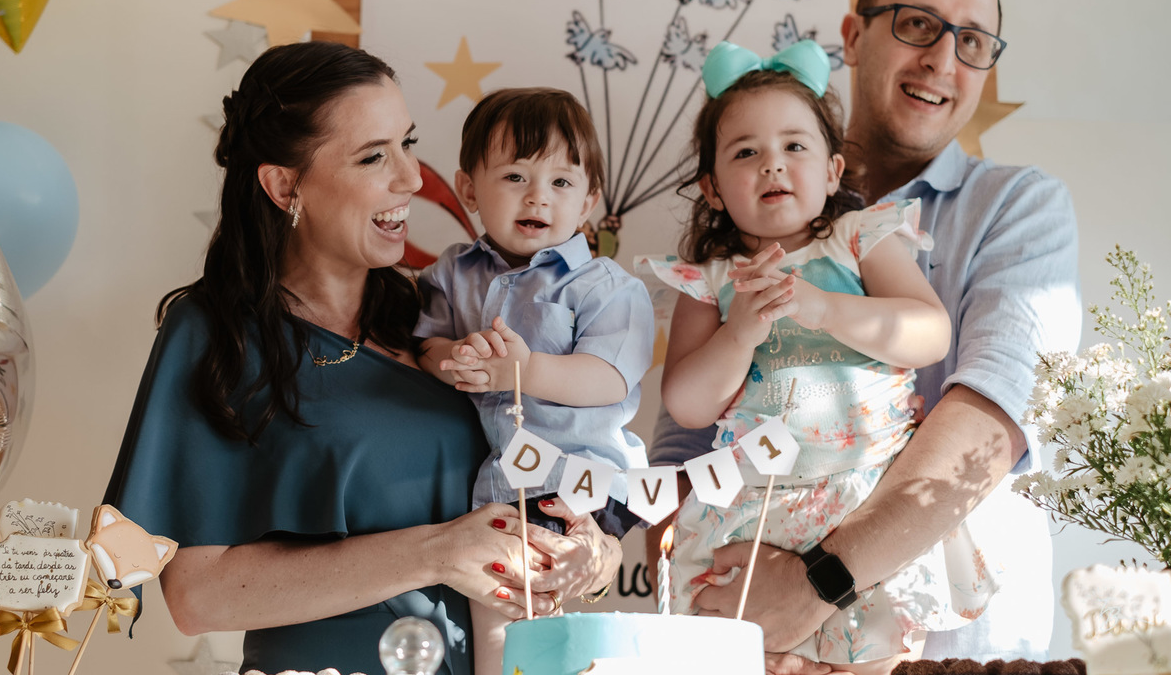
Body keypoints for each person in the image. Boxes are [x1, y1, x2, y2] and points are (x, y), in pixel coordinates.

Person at [102, 43, 620, 675]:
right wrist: (436, 552)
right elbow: (195, 595)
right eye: (375, 156)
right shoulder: (218, 334)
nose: (410, 177)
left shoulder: (440, 314)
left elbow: (549, 474)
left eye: (409, 143)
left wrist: (593, 558)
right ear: (284, 184)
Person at [647, 0, 1081, 669]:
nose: (943, 59)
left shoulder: (1016, 206)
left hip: (944, 642)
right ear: (854, 34)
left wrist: (813, 588)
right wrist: (737, 604)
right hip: (748, 590)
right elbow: (683, 440)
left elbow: (989, 421)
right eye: (918, 24)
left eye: (973, 41)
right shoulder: (725, 262)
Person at [642, 38, 994, 674]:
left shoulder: (861, 239)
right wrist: (739, 333)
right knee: (753, 654)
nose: (772, 165)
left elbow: (929, 331)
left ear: (833, 172)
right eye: (746, 153)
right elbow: (686, 406)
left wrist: (819, 307)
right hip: (755, 501)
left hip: (868, 493)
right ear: (714, 188)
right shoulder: (711, 279)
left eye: (794, 147)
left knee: (871, 654)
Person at [414, 87, 654, 675]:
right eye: (516, 177)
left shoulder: (606, 286)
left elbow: (608, 379)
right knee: (497, 622)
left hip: (581, 482)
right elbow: (425, 345)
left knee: (546, 614)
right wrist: (455, 359)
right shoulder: (452, 271)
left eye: (562, 183)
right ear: (469, 188)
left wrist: (525, 370)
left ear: (590, 199)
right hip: (501, 486)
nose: (538, 197)